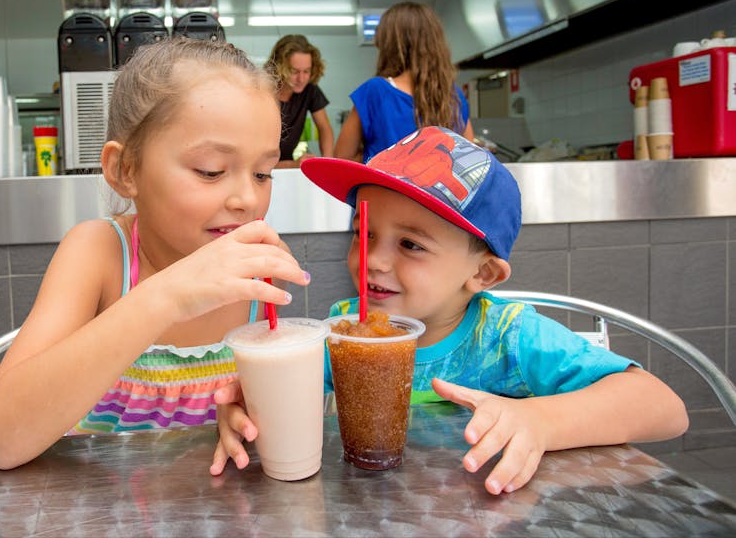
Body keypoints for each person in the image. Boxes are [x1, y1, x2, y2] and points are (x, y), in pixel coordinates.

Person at [212, 126, 688, 494]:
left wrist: (542, 422)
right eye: (365, 233)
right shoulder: (349, 327)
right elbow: (287, 403)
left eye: (411, 244)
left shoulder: (509, 338)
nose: (373, 259)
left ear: (481, 275)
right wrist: (250, 409)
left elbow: (665, 409)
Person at [0, 37, 311, 470]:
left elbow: (264, 423)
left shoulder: (260, 273)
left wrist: (247, 416)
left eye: (263, 173)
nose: (247, 198)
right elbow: (3, 441)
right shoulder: (98, 255)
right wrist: (165, 297)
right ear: (126, 170)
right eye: (210, 171)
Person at [334, 2, 475, 163]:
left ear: (388, 44)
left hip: (385, 187)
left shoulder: (375, 91)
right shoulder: (453, 95)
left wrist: (374, 157)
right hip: (440, 189)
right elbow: (470, 158)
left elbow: (342, 158)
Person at [265, 34, 335, 168]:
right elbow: (258, 159)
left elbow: (324, 127)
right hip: (261, 166)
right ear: (280, 67)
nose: (301, 79)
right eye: (294, 71)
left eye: (306, 71)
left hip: (287, 163)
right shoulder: (263, 90)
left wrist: (328, 162)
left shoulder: (309, 90)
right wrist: (294, 164)